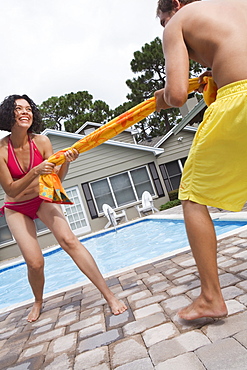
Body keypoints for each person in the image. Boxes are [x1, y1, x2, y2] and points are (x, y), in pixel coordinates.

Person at [155, 0, 247, 320]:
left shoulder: (178, 22)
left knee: (192, 196)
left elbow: (178, 94)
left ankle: (211, 298)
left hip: (241, 98)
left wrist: (160, 98)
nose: (166, 26)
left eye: (164, 20)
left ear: (177, 5)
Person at [0, 94, 127, 322]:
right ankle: (38, 301)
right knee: (35, 262)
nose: (25, 112)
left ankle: (109, 295)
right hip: (16, 207)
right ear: (8, 114)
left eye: (28, 108)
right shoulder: (1, 150)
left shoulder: (41, 142)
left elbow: (57, 179)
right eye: (18, 109)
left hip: (42, 199)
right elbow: (11, 190)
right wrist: (35, 171)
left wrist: (66, 161)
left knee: (69, 241)